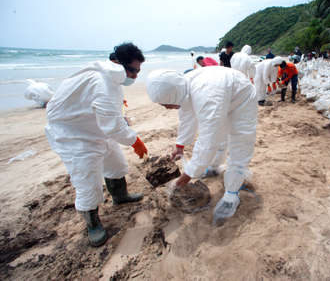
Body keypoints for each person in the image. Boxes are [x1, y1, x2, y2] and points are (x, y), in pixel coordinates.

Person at [45, 42, 148, 247]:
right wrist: (134, 141)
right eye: (133, 71)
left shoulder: (108, 77)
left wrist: (123, 125)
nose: (135, 76)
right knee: (87, 180)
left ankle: (120, 195)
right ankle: (92, 224)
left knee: (116, 163)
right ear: (116, 62)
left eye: (138, 71)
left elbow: (111, 117)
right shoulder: (102, 82)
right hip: (73, 133)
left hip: (93, 125)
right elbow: (113, 126)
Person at [146, 67, 257, 224]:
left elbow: (208, 138)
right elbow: (187, 116)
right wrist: (180, 146)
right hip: (223, 94)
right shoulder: (183, 87)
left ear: (173, 95)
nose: (166, 107)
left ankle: (231, 194)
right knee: (221, 135)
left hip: (242, 99)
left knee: (240, 141)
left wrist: (189, 174)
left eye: (165, 103)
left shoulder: (206, 95)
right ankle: (213, 167)